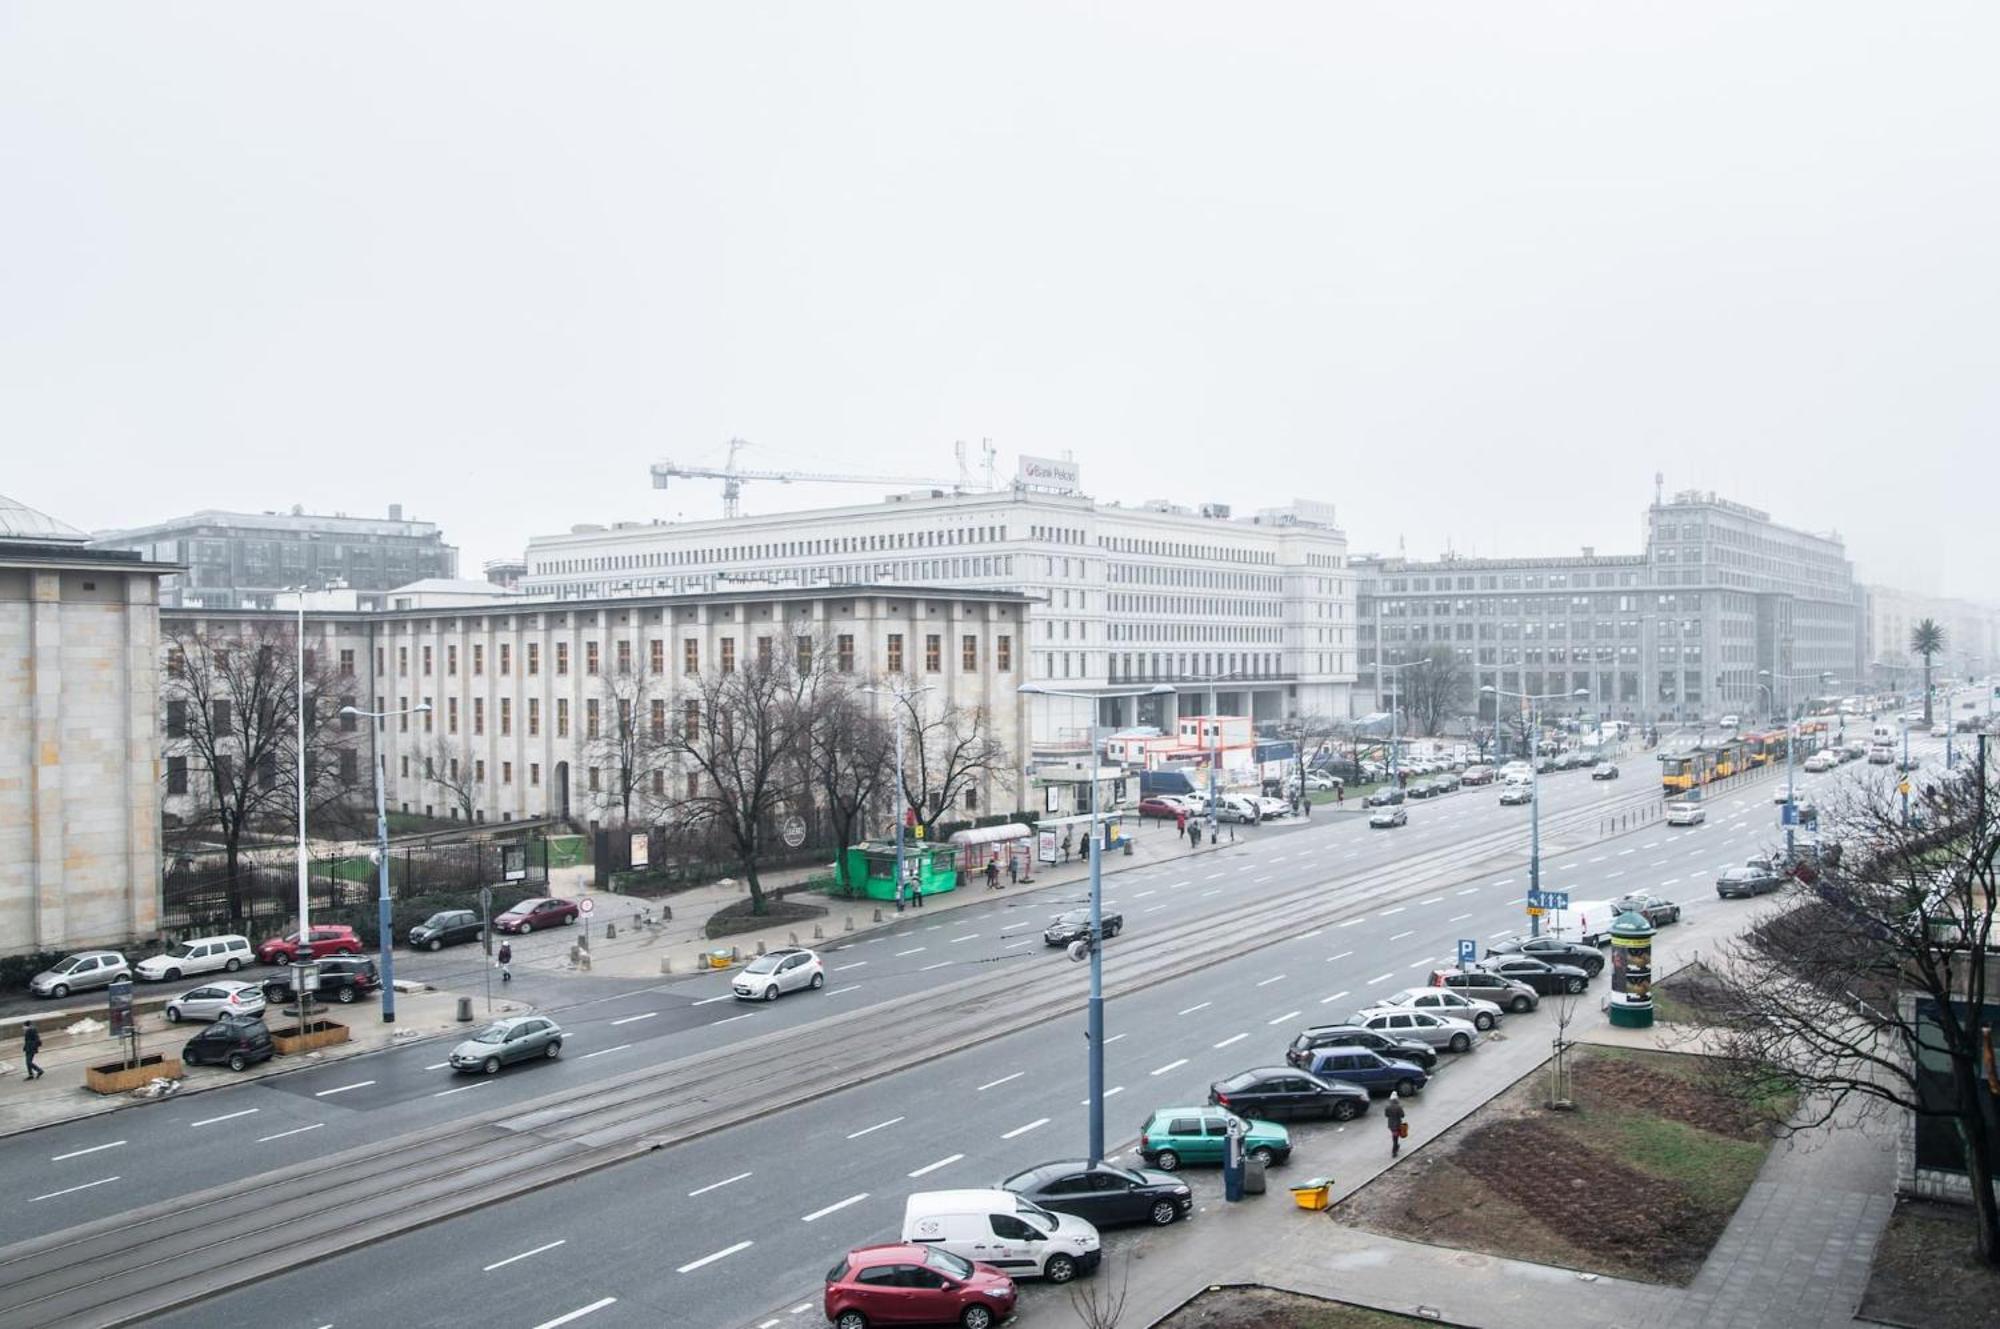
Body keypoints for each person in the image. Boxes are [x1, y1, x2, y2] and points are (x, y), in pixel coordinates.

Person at [1385, 1091, 1407, 1157]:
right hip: (1397, 1124)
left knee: (1394, 1136)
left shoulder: (1387, 1107)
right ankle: (1394, 1151)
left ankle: (1396, 1146)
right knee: (1396, 1138)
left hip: (1391, 1125)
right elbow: (1402, 1115)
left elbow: (1386, 1115)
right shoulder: (1398, 1107)